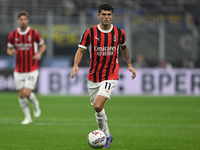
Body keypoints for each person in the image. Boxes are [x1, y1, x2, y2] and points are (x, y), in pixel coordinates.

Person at [70, 2, 136, 148]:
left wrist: (129, 64)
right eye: (103, 14)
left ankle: (105, 136)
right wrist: (75, 65)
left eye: (109, 14)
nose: (106, 17)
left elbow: (124, 48)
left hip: (111, 75)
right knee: (97, 107)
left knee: (98, 106)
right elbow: (80, 50)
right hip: (93, 76)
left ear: (112, 16)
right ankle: (107, 134)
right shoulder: (89, 33)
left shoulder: (119, 33)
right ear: (98, 15)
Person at [7, 11, 46, 125]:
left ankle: (35, 104)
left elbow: (43, 45)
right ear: (18, 21)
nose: (23, 21)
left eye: (25, 19)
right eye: (21, 19)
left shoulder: (34, 33)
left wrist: (39, 53)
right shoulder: (13, 35)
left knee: (27, 93)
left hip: (32, 68)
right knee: (21, 94)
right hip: (18, 69)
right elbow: (9, 48)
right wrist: (11, 52)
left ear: (27, 21)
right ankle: (27, 117)